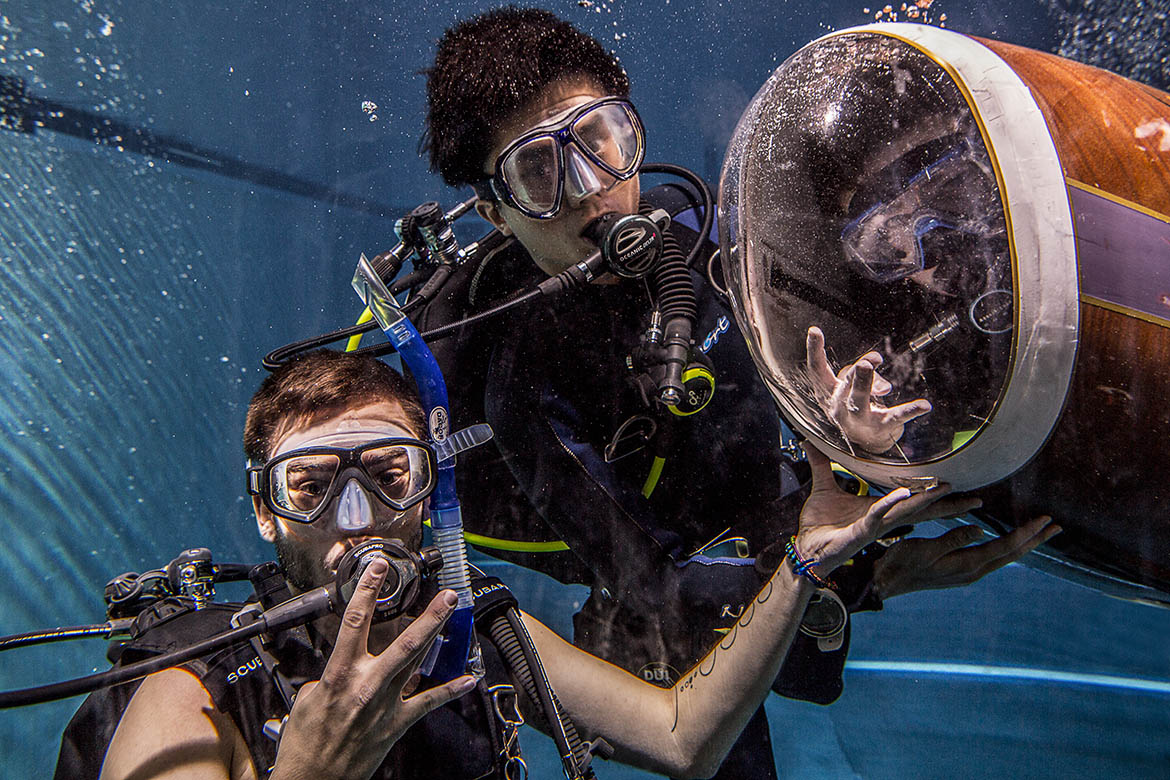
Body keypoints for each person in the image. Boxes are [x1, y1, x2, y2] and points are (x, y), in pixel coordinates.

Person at [417, 7, 1059, 778]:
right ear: (496, 213)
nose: (594, 192)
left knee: (802, 645)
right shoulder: (521, 379)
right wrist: (863, 572)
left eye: (598, 141)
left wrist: (858, 439)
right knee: (710, 690)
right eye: (539, 174)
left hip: (751, 509)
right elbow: (656, 586)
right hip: (654, 564)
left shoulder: (700, 245)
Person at [76, 348, 974, 779]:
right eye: (311, 487)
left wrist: (804, 563)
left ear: (429, 492)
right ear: (268, 517)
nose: (356, 522)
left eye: (388, 475)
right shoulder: (198, 682)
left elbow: (683, 739)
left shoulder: (473, 635)